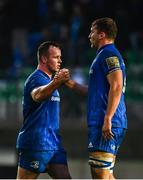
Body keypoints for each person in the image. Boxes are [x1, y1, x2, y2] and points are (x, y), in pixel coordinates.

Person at [65, 17, 127, 179]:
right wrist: (69, 83)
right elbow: (94, 91)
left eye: (92, 32)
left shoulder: (109, 54)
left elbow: (117, 85)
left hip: (106, 122)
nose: (89, 36)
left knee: (100, 175)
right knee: (106, 175)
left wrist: (108, 118)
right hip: (107, 121)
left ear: (101, 35)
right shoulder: (103, 55)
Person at [16, 41, 71, 179]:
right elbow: (38, 95)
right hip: (36, 143)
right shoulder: (36, 79)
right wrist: (57, 82)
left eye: (60, 57)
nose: (60, 61)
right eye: (56, 57)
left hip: (54, 144)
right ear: (44, 59)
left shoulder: (50, 81)